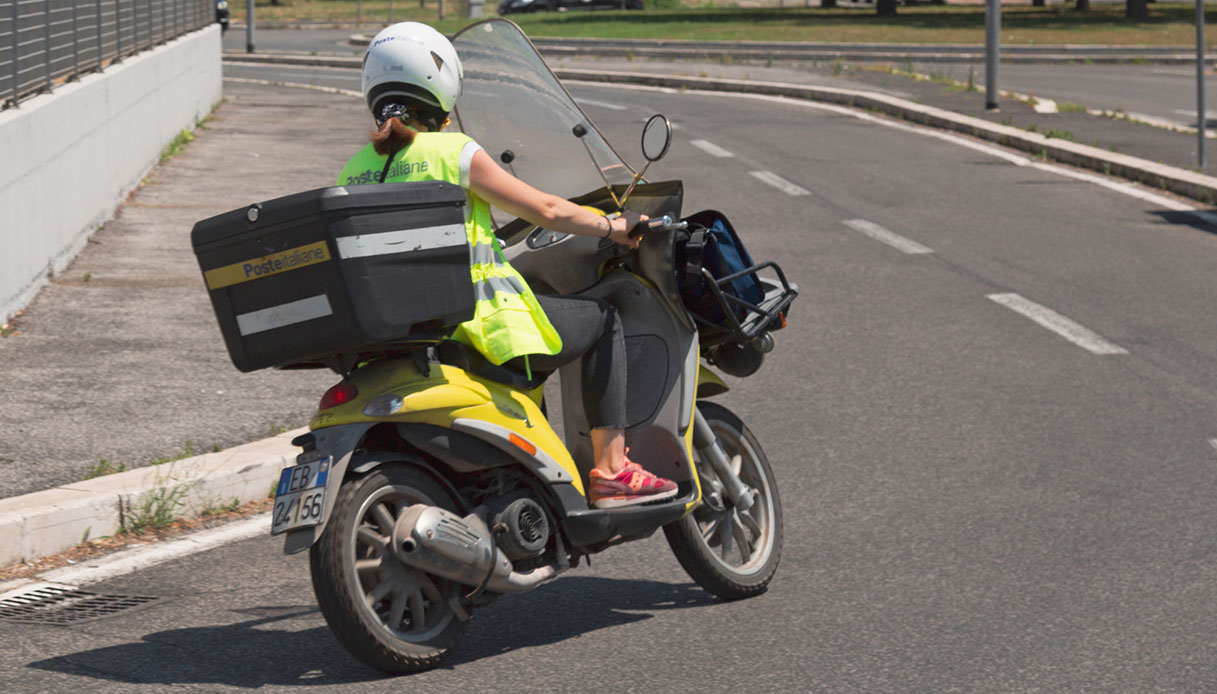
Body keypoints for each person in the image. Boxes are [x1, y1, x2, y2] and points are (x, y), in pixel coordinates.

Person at [338, 22, 676, 509]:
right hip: (484, 328)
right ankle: (612, 469)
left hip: (411, 334)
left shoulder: (354, 169)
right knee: (605, 321)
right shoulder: (455, 152)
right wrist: (612, 226)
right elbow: (548, 211)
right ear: (443, 90)